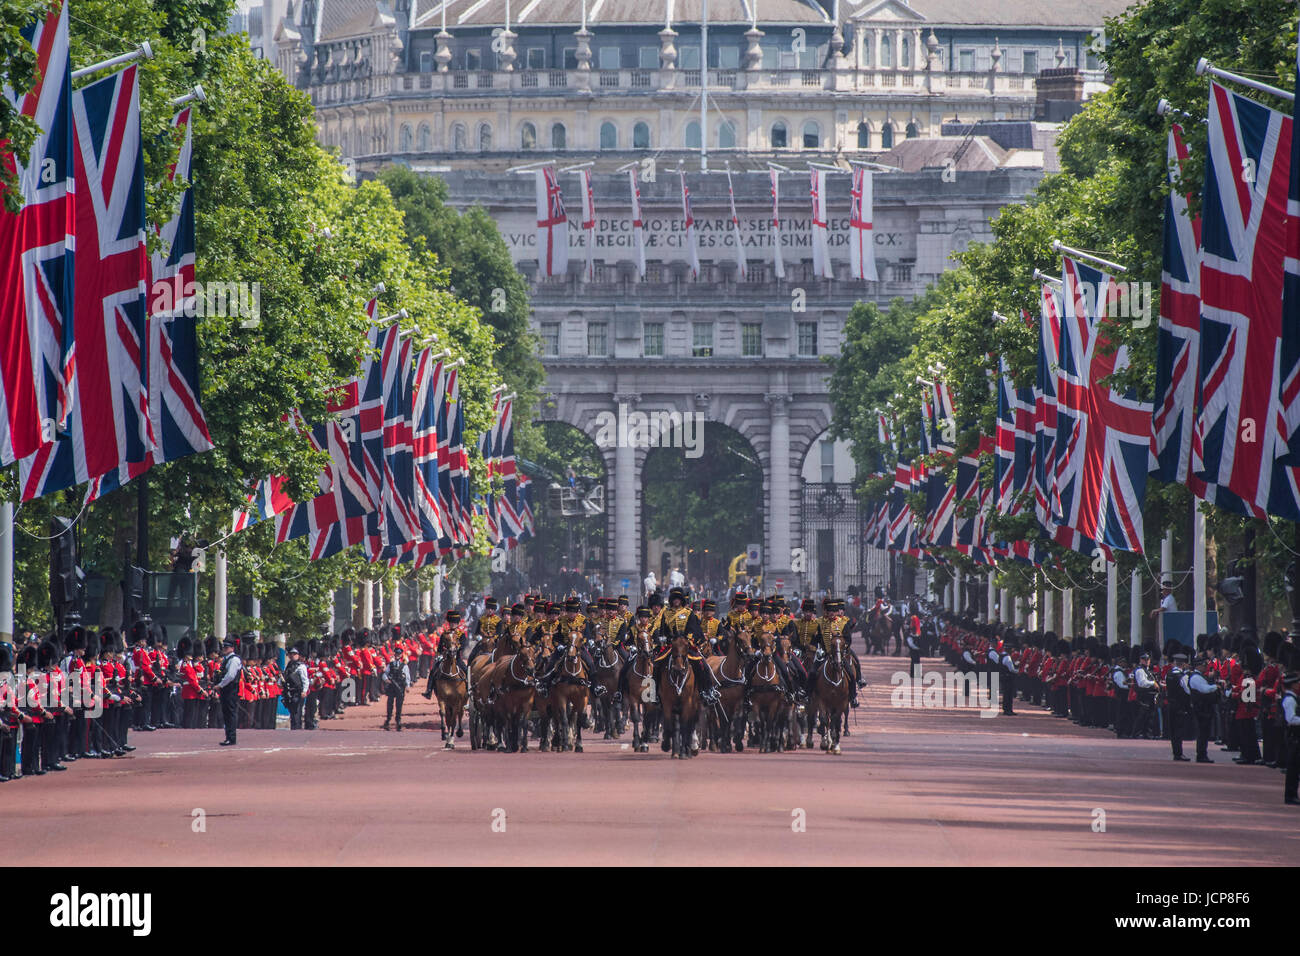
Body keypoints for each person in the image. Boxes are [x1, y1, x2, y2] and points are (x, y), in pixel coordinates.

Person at [215, 637, 242, 746]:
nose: (224, 649)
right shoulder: (227, 659)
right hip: (227, 689)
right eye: (224, 647)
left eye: (227, 647)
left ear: (232, 648)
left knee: (230, 714)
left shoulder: (234, 659)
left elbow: (230, 675)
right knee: (226, 714)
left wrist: (220, 685)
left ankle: (231, 737)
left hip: (230, 689)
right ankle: (229, 736)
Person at [1280, 665, 1300, 806]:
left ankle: (1292, 794)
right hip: (1294, 737)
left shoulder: (1293, 698)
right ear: (1292, 685)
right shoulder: (1290, 700)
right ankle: (1290, 795)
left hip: (1295, 737)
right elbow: (1291, 719)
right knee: (1293, 768)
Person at [381, 648, 410, 731]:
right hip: (391, 686)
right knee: (390, 703)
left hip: (400, 686)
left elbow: (407, 676)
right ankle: (388, 719)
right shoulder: (390, 665)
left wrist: (407, 686)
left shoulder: (404, 666)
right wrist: (386, 680)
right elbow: (385, 674)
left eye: (399, 654)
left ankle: (398, 720)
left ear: (401, 655)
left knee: (399, 704)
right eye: (396, 654)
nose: (397, 655)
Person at [282, 645, 309, 730]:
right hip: (289, 691)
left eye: (294, 654)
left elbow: (305, 680)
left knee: (297, 711)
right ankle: (293, 727)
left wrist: (304, 691)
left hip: (298, 691)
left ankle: (297, 728)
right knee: (292, 711)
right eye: (291, 654)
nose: (292, 656)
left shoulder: (301, 666)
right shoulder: (289, 665)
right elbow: (285, 676)